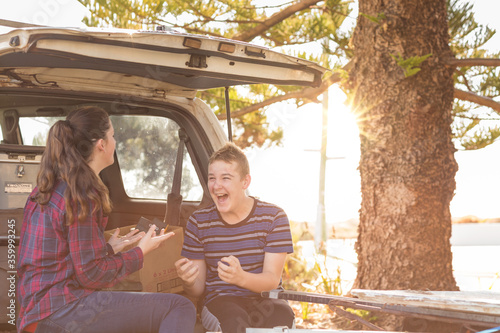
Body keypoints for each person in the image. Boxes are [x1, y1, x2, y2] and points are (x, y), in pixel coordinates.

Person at [17, 106, 196, 333]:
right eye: (112, 136)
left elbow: (66, 260)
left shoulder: (47, 188)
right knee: (180, 307)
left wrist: (109, 249)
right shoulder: (81, 195)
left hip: (35, 314)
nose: (115, 142)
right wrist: (140, 251)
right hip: (61, 314)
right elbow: (92, 276)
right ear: (101, 144)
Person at [175, 142, 295, 333]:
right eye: (212, 178)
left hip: (267, 298)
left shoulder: (274, 217)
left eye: (226, 178)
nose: (216, 185)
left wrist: (241, 278)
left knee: (281, 320)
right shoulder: (198, 222)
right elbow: (197, 291)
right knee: (234, 324)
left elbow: (272, 280)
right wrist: (188, 281)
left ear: (245, 182)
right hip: (221, 299)